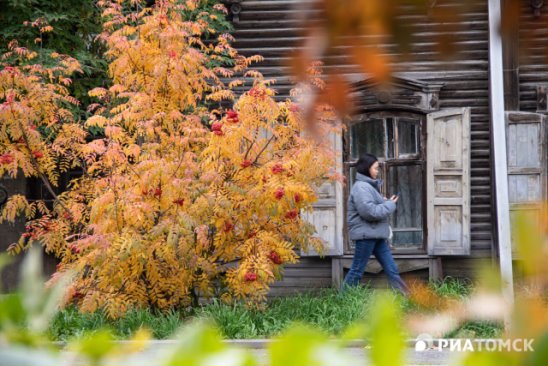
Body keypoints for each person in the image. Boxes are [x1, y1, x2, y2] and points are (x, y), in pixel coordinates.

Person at [342, 153, 409, 295]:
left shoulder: (368, 187)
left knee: (392, 270)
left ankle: (407, 297)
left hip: (376, 234)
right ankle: (341, 300)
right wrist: (390, 205)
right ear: (367, 168)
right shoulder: (361, 187)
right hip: (366, 235)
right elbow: (370, 212)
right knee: (357, 271)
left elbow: (372, 207)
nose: (377, 171)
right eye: (375, 168)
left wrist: (385, 202)